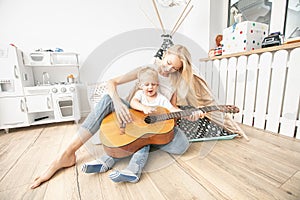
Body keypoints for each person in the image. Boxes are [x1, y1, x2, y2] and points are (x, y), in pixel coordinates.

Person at [31, 44, 247, 189]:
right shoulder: (146, 69)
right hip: (131, 111)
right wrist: (117, 101)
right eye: (167, 62)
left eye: (174, 67)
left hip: (150, 120)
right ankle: (67, 154)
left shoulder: (176, 82)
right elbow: (111, 83)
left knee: (181, 145)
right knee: (107, 99)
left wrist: (189, 116)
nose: (167, 68)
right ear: (163, 55)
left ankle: (126, 148)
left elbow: (171, 111)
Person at [81, 67, 190, 183]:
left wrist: (188, 113)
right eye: (146, 84)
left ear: (158, 85)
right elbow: (133, 103)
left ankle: (133, 171)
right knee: (122, 142)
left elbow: (172, 109)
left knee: (142, 142)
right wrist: (144, 108)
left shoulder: (161, 99)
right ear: (140, 86)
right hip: (133, 125)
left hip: (148, 133)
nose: (150, 87)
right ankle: (104, 161)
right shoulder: (140, 95)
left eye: (153, 84)